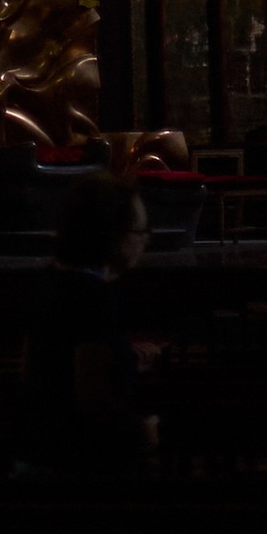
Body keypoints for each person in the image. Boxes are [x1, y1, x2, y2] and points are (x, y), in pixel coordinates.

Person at [18, 176, 159, 478]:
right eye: (140, 231)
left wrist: (124, 356)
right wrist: (143, 432)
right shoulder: (93, 296)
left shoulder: (50, 281)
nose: (145, 240)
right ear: (113, 234)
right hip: (81, 467)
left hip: (38, 451)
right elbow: (92, 398)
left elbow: (38, 367)